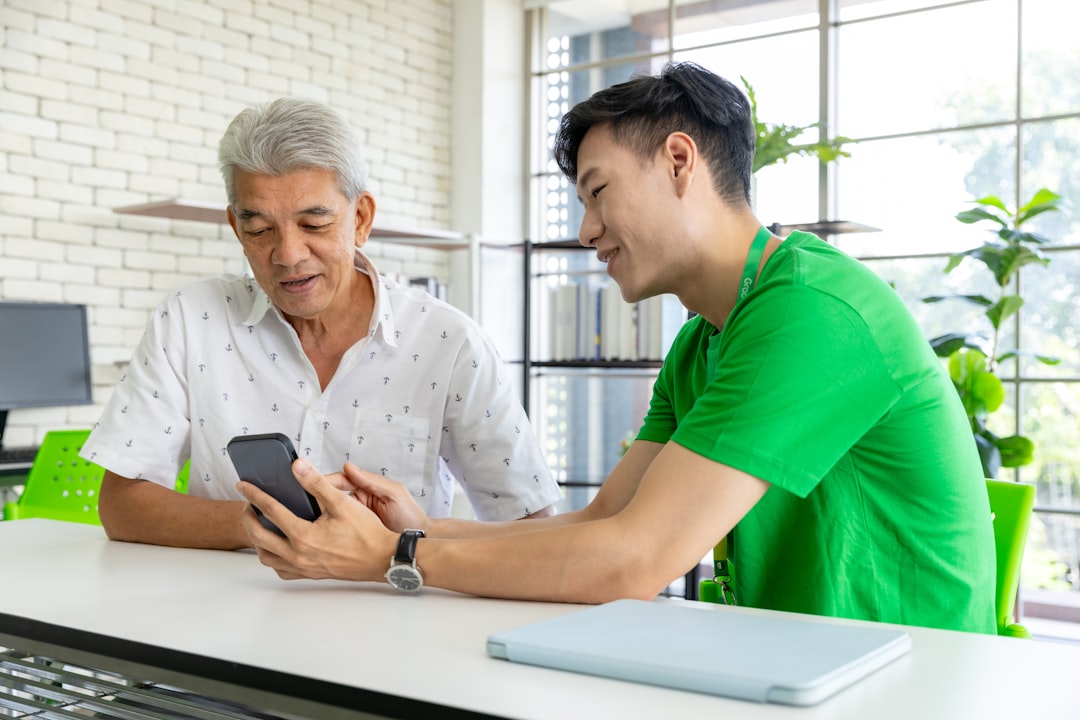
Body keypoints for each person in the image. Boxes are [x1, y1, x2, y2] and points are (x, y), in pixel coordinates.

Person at [236, 64, 997, 634]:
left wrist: (392, 559)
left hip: (906, 679)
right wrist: (415, 528)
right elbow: (602, 522)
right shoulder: (707, 340)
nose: (585, 229)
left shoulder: (816, 316)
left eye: (598, 192)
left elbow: (634, 563)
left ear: (677, 162)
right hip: (798, 667)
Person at [81, 98, 561, 549]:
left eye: (314, 224)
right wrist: (269, 524)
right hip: (223, 618)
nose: (288, 255)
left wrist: (409, 539)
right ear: (235, 227)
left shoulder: (449, 342)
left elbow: (528, 526)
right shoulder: (189, 320)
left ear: (361, 219)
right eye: (259, 228)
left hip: (396, 618)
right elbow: (123, 505)